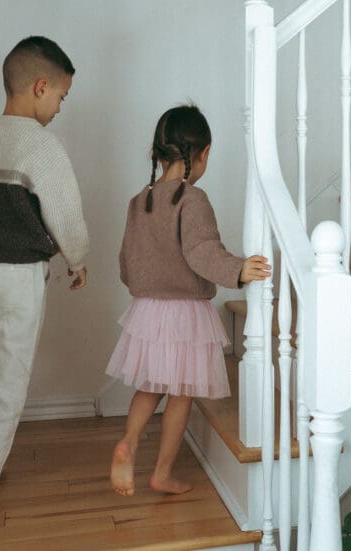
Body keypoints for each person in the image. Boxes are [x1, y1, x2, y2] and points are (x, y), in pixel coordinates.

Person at [0, 36, 90, 523]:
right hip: (17, 273)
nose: (59, 108)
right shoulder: (41, 145)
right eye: (61, 98)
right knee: (11, 380)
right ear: (41, 86)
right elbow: (64, 209)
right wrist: (78, 257)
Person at [107, 104, 270, 496]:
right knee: (180, 394)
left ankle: (128, 442)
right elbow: (201, 250)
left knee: (149, 386)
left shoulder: (139, 201)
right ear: (204, 153)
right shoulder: (192, 199)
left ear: (159, 152)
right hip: (185, 313)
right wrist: (238, 269)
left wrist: (139, 285)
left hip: (148, 309)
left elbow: (126, 259)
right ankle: (161, 472)